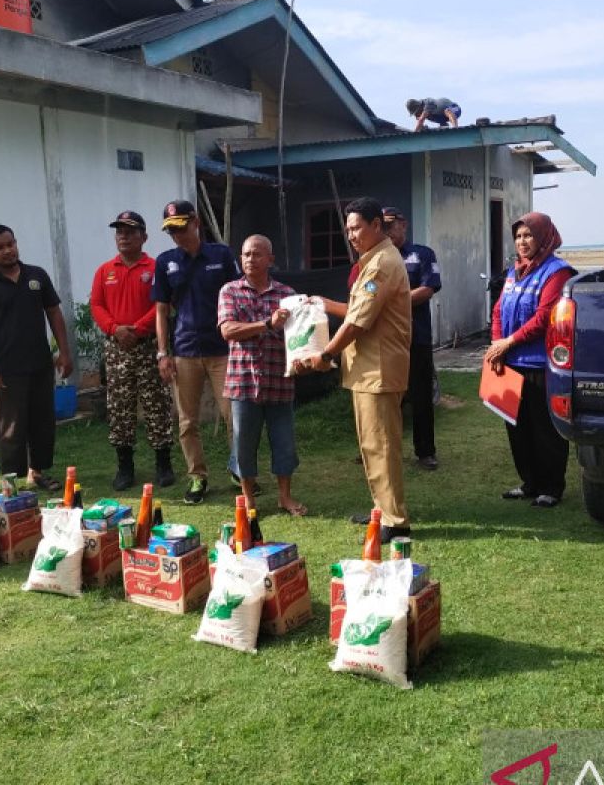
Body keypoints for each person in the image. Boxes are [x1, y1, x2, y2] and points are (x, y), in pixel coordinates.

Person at [298, 197, 412, 541]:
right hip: (369, 368)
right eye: (347, 229)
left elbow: (359, 322)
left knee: (381, 445)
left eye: (356, 228)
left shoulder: (381, 264)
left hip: (377, 369)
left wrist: (327, 355)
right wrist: (324, 303)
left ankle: (395, 520)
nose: (351, 235)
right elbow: (358, 308)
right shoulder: (376, 260)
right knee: (373, 444)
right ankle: (382, 509)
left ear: (377, 225)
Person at [0, 224, 72, 491]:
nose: (7, 251)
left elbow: (54, 313)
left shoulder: (36, 276)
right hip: (6, 368)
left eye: (10, 244)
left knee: (42, 422)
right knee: (11, 427)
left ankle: (37, 473)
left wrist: (64, 352)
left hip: (40, 363)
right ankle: (10, 480)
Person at [151, 200, 240, 505]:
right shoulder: (165, 262)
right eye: (171, 230)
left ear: (196, 222)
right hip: (185, 350)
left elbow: (238, 295)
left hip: (222, 349)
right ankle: (197, 477)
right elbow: (161, 311)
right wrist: (162, 354)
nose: (177, 235)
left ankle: (239, 469)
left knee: (234, 415)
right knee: (187, 421)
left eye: (181, 227)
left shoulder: (221, 254)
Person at [483, 212, 574, 507]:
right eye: (518, 236)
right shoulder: (515, 271)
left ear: (544, 237)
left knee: (544, 428)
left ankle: (551, 487)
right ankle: (530, 482)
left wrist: (507, 342)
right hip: (511, 361)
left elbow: (544, 317)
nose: (522, 242)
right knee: (517, 427)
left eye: (529, 236)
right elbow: (498, 310)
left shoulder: (557, 272)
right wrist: (498, 344)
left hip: (540, 365)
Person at [217, 235, 307, 516]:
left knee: (284, 443)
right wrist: (267, 324)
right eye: (245, 254)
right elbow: (227, 330)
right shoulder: (230, 291)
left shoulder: (287, 295)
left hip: (280, 380)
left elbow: (299, 336)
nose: (249, 260)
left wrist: (305, 357)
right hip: (243, 381)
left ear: (271, 259)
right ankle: (249, 500)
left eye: (256, 254)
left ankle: (284, 497)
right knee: (244, 445)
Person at [90, 210, 176, 491]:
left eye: (130, 231)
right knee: (120, 408)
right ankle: (125, 467)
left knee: (157, 405)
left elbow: (161, 306)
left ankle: (163, 464)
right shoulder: (105, 270)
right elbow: (97, 305)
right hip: (117, 349)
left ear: (144, 236)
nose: (123, 236)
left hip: (148, 345)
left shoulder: (155, 267)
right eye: (119, 232)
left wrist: (137, 329)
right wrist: (115, 329)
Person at [383, 207, 443, 470]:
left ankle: (425, 452)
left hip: (416, 336)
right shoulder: (375, 258)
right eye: (382, 226)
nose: (387, 231)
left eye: (391, 225)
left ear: (403, 225)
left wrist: (391, 302)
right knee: (385, 398)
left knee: (420, 397)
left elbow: (428, 288)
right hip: (384, 340)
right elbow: (368, 292)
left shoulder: (421, 254)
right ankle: (382, 452)